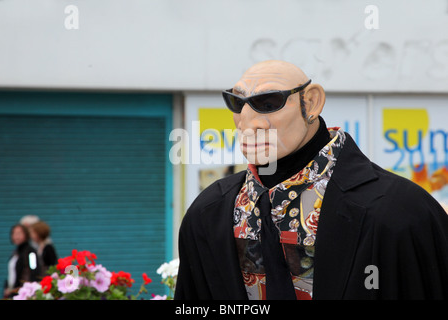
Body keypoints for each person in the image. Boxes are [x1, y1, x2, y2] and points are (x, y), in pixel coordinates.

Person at [174, 60, 448, 300]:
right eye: (236, 102)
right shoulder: (208, 214)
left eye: (268, 103)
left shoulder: (402, 212)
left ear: (311, 102)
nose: (247, 121)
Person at [3, 224, 41, 299]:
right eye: (14, 233)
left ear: (26, 235)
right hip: (13, 292)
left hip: (24, 293)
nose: (16, 236)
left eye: (19, 233)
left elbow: (34, 270)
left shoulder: (31, 252)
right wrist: (7, 287)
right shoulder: (15, 253)